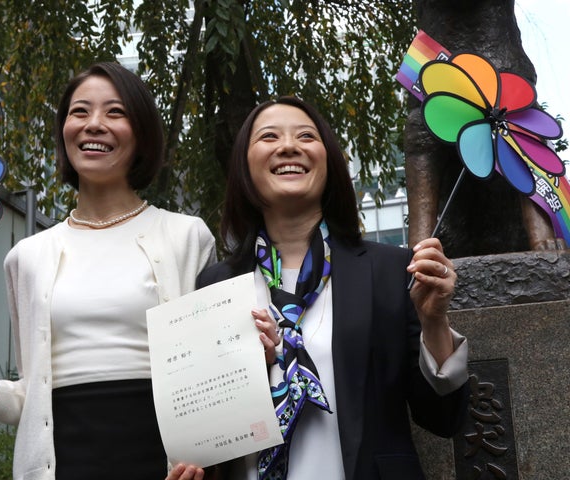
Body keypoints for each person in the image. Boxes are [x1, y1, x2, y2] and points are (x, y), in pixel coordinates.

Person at [168, 96, 468, 480]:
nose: (288, 146)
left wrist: (434, 323)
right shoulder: (216, 286)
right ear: (244, 165)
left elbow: (444, 419)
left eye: (306, 136)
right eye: (269, 137)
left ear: (329, 161)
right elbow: (208, 439)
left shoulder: (390, 270)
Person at [0, 62, 217, 480]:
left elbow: (212, 373)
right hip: (66, 463)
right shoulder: (27, 256)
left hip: (161, 461)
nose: (94, 125)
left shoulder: (187, 237)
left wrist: (205, 458)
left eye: (115, 112)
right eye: (79, 112)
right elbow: (36, 397)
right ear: (64, 131)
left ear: (141, 133)